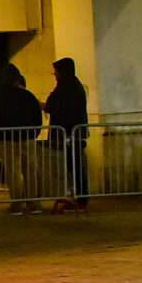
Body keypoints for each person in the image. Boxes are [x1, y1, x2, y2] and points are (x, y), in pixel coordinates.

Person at [0, 64, 46, 212]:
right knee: (30, 170)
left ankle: (17, 203)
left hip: (5, 139)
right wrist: (34, 133)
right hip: (27, 137)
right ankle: (33, 202)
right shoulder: (27, 96)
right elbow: (37, 117)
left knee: (13, 171)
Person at [43, 56, 90, 210]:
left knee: (73, 167)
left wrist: (44, 105)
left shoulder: (65, 87)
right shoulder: (75, 86)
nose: (55, 75)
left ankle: (78, 198)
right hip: (73, 132)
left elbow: (52, 105)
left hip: (69, 134)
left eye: (56, 72)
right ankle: (78, 197)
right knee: (74, 166)